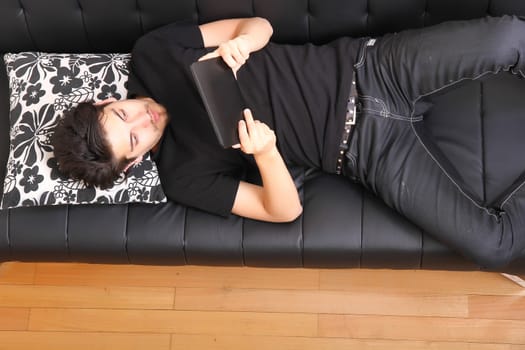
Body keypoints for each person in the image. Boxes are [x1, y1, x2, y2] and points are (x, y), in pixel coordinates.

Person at [52, 15, 525, 268]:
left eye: (122, 113)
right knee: (494, 245)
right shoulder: (182, 176)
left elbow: (257, 24)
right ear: (133, 163)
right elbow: (284, 211)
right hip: (367, 151)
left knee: (511, 36)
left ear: (104, 99)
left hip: (370, 68)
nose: (145, 119)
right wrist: (266, 154)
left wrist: (243, 43)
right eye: (134, 140)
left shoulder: (153, 53)